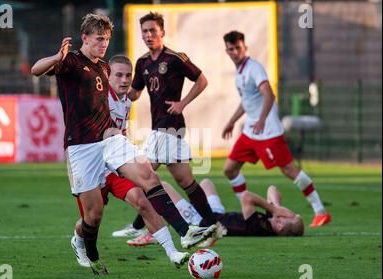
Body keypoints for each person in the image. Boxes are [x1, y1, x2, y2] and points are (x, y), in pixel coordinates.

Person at [31, 14, 216, 275]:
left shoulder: (104, 67)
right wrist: (56, 58)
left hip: (110, 140)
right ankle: (90, 253)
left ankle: (186, 233)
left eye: (106, 39)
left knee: (148, 176)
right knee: (93, 216)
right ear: (84, 38)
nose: (103, 44)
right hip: (81, 148)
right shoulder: (70, 61)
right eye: (99, 39)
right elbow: (35, 69)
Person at [70, 55, 213, 269]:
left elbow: (121, 131)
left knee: (144, 200)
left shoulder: (126, 101)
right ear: (107, 76)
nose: (125, 80)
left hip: (115, 167)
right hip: (91, 166)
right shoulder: (98, 96)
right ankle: (78, 241)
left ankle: (174, 251)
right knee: (91, 220)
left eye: (128, 75)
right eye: (118, 75)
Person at [120, 11, 218, 237]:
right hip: (162, 128)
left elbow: (202, 80)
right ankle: (212, 222)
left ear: (162, 32)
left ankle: (139, 227)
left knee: (143, 174)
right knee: (185, 180)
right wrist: (120, 91)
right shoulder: (142, 62)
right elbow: (135, 93)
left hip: (170, 124)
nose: (148, 35)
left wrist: (183, 103)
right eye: (144, 31)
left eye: (152, 30)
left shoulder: (175, 58)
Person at [221, 30, 330, 228]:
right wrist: (231, 121)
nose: (235, 52)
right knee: (229, 169)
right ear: (227, 51)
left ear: (244, 47)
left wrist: (262, 120)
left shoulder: (254, 68)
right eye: (231, 49)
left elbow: (269, 95)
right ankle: (247, 209)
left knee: (289, 170)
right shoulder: (239, 73)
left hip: (268, 132)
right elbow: (246, 102)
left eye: (238, 47)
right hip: (251, 132)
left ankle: (320, 211)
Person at [128, 178, 304, 247]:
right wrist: (278, 208)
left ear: (280, 226)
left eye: (288, 217)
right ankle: (151, 225)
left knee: (162, 186)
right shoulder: (271, 221)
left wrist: (274, 209)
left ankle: (152, 232)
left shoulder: (258, 226)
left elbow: (246, 197)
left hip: (203, 222)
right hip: (217, 215)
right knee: (206, 184)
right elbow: (272, 188)